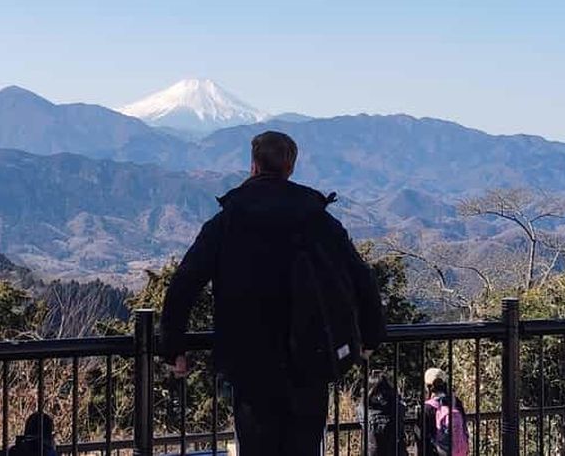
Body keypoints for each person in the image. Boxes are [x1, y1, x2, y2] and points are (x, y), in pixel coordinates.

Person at [160, 131, 386, 456]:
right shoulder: (318, 220)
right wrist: (370, 336)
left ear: (253, 165)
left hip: (249, 360)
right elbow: (361, 276)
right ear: (290, 167)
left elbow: (185, 281)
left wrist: (174, 346)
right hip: (311, 357)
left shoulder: (229, 220)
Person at [418, 368, 469, 456]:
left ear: (428, 387)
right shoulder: (456, 402)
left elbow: (422, 440)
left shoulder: (427, 408)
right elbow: (464, 428)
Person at [359, 373, 408, 456]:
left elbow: (360, 411)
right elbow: (402, 408)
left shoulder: (365, 410)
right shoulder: (396, 408)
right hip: (396, 451)